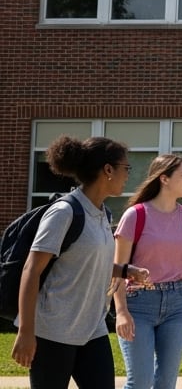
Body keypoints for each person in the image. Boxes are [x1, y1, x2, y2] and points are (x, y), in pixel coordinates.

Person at [11, 136, 147, 389]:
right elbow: (32, 270)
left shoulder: (102, 213)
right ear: (108, 170)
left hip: (91, 329)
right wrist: (26, 332)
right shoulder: (64, 212)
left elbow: (89, 262)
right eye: (125, 168)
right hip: (52, 331)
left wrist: (126, 270)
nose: (128, 175)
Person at [113, 155, 182, 389]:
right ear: (164, 178)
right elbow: (117, 271)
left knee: (166, 383)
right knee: (140, 383)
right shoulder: (135, 215)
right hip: (138, 304)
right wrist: (121, 312)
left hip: (176, 304)